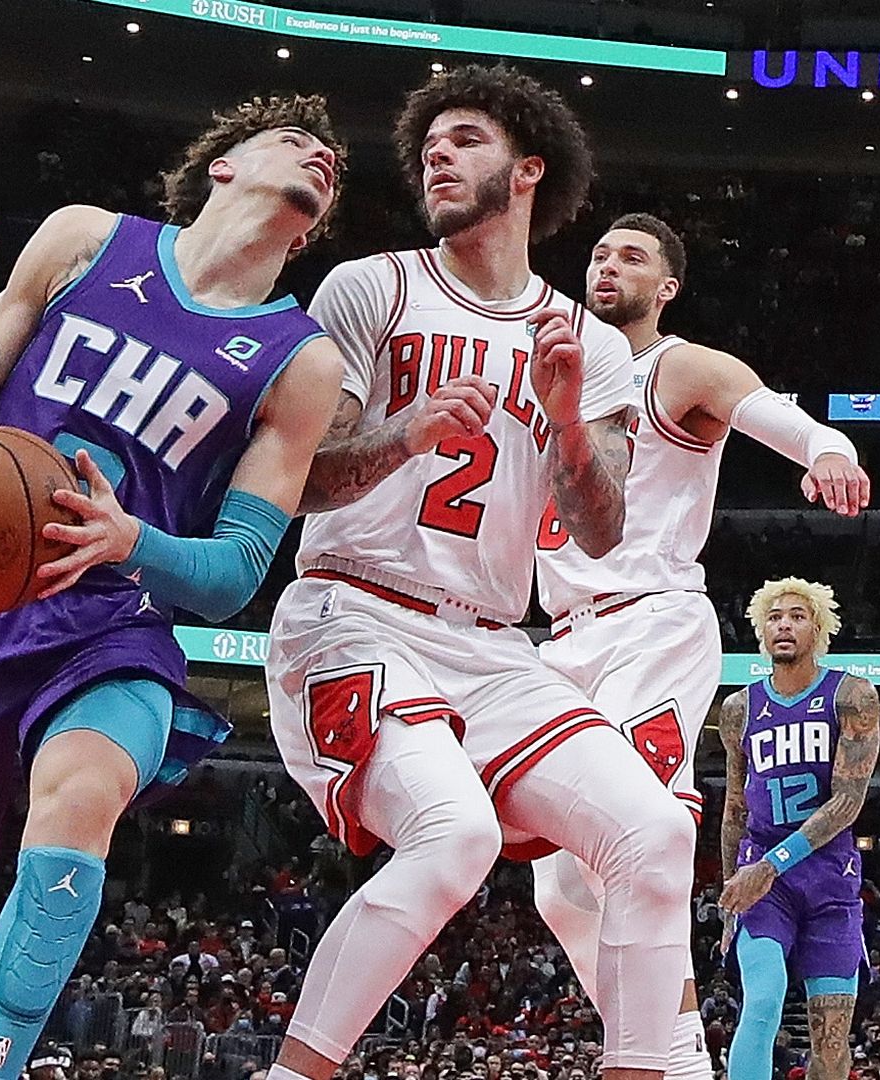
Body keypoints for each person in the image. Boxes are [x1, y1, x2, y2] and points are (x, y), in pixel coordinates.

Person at [0, 96, 348, 1080]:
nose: (319, 153)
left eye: (331, 160)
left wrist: (132, 542)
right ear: (221, 167)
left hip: (109, 626)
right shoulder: (86, 240)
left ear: (315, 228)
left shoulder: (303, 361)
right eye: (291, 139)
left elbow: (234, 574)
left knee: (82, 794)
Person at [265, 64, 691, 1080]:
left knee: (655, 836)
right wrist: (402, 434)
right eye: (429, 147)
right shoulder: (370, 286)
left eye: (464, 140)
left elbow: (598, 531)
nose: (437, 157)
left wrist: (567, 429)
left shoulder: (587, 344)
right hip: (353, 610)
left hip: (493, 643)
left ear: (529, 169)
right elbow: (300, 484)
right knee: (452, 838)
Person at [528, 213, 871, 1080]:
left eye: (633, 257)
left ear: (666, 287)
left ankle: (667, 1064)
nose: (610, 266)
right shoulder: (554, 378)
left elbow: (774, 414)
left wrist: (829, 449)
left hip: (651, 622)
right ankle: (670, 1050)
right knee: (560, 885)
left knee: (635, 834)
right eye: (600, 254)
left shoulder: (678, 367)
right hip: (558, 639)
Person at [715, 579, 880, 1080]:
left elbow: (848, 801)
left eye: (797, 615)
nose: (784, 624)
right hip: (762, 877)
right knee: (762, 1000)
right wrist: (731, 897)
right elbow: (735, 807)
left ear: (819, 627)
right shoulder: (738, 710)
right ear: (761, 631)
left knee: (830, 1045)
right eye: (774, 617)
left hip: (829, 878)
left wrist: (771, 865)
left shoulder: (852, 696)